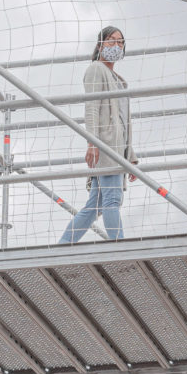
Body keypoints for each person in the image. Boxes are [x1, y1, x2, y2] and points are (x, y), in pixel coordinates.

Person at [58, 26, 137, 243]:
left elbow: (124, 120)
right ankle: (119, 246)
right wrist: (92, 143)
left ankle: (63, 245)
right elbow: (92, 107)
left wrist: (130, 156)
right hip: (105, 145)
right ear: (100, 44)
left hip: (118, 149)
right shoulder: (96, 69)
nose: (116, 45)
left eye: (120, 42)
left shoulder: (120, 80)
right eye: (111, 40)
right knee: (112, 200)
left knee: (94, 207)